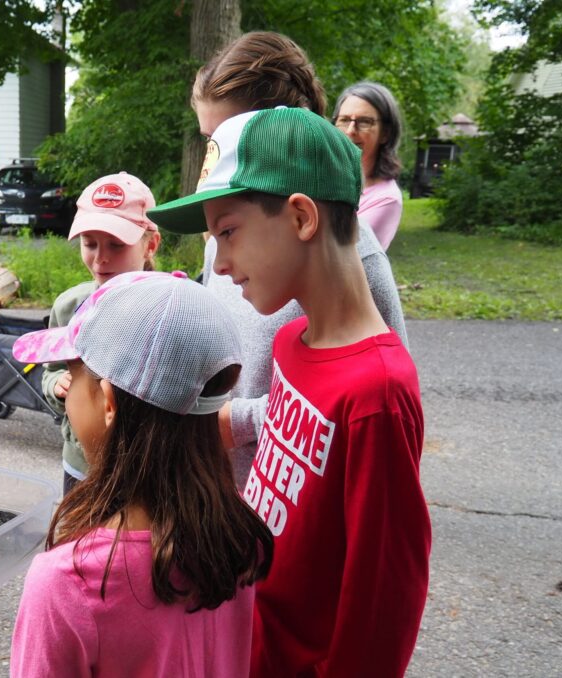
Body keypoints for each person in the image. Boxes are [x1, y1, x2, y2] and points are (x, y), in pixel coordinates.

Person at [148, 107, 431, 676]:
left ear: (302, 216)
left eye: (228, 232)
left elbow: (383, 602)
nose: (220, 263)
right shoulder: (295, 344)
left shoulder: (376, 394)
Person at [10, 270, 274, 676]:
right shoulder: (237, 532)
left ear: (108, 401)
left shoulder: (68, 585)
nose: (68, 397)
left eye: (72, 371)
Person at [191, 31, 408, 486]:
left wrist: (238, 422)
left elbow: (367, 407)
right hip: (221, 506)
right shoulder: (224, 240)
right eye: (209, 139)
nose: (216, 158)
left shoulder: (356, 259)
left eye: (231, 136)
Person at [40, 172, 161, 494]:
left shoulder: (171, 309)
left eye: (116, 245)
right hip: (80, 465)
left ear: (151, 245)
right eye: (89, 244)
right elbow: (50, 371)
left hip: (147, 468)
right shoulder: (69, 307)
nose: (100, 258)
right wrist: (57, 385)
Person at [332, 81, 405, 249]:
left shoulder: (386, 199)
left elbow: (342, 252)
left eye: (364, 122)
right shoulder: (324, 174)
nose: (351, 130)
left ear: (385, 133)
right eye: (344, 120)